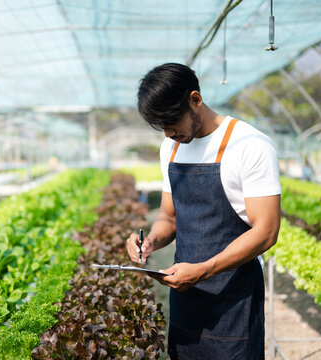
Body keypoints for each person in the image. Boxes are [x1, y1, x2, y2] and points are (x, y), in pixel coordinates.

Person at [126, 63, 281, 359]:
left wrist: (204, 271)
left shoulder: (249, 145)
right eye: (162, 127)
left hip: (233, 299)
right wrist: (151, 242)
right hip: (186, 296)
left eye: (173, 121)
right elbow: (169, 217)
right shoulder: (170, 147)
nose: (169, 132)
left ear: (195, 99)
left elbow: (266, 231)